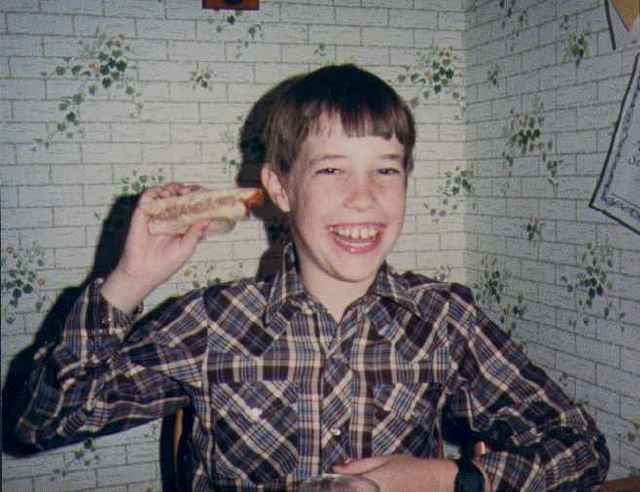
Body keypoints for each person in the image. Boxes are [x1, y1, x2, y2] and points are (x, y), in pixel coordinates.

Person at [14, 64, 609, 491]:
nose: (363, 197)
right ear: (280, 188)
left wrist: (448, 478)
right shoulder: (212, 324)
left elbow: (581, 449)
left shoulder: (443, 319)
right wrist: (128, 280)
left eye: (385, 170)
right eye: (330, 170)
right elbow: (41, 422)